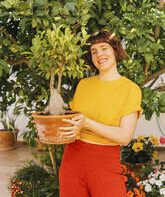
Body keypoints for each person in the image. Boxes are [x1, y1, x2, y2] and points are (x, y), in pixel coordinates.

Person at [59, 29, 142, 197]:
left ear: (115, 49)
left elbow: (124, 137)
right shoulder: (83, 85)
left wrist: (87, 123)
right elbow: (73, 121)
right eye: (94, 51)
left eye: (104, 48)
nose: (99, 55)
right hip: (72, 160)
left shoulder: (130, 89)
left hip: (105, 164)